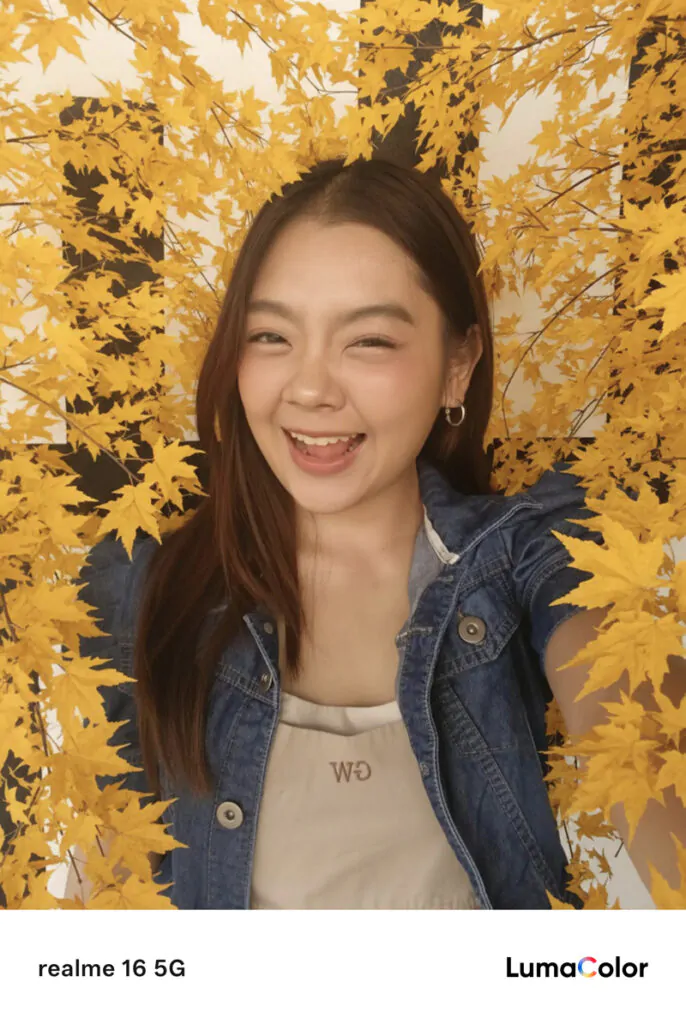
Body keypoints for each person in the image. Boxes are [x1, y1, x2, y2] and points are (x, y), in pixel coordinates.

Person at [67, 155, 611, 910]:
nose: (311, 388)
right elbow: (105, 894)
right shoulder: (139, 585)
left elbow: (644, 741)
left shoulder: (525, 555)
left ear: (458, 365)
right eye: (270, 336)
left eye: (369, 342)